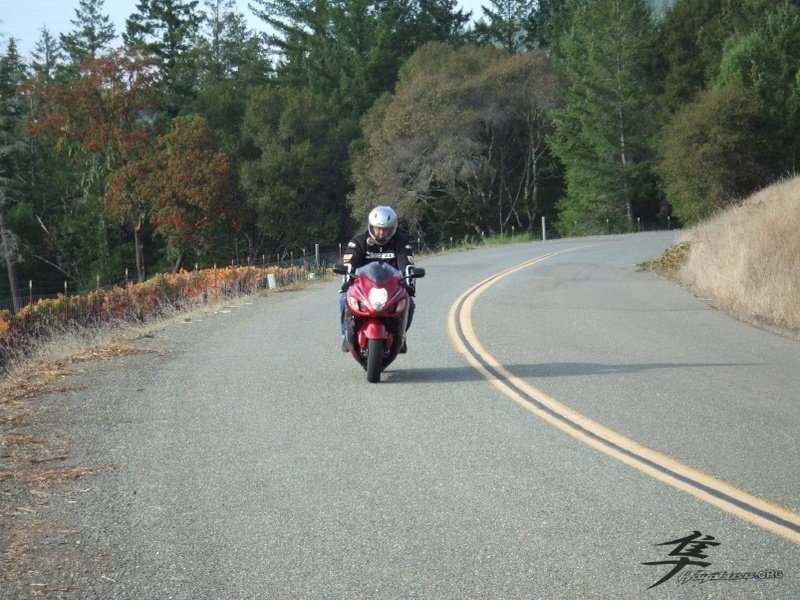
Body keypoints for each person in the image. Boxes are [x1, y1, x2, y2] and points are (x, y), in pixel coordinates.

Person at [339, 205, 416, 351]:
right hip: (363, 287)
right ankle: (346, 334)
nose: (381, 233)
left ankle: (401, 335)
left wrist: (409, 283)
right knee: (343, 299)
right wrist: (347, 276)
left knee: (410, 303)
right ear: (370, 226)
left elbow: (406, 263)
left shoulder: (401, 242)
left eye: (386, 229)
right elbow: (350, 261)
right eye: (377, 229)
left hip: (391, 287)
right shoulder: (359, 241)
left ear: (393, 228)